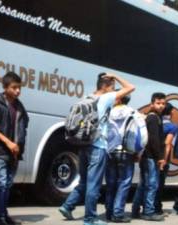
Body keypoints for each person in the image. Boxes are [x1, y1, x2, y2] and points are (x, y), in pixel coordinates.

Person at [59, 73, 135, 225]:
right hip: (97, 146)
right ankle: (90, 219)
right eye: (112, 87)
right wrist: (116, 75)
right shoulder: (105, 98)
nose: (114, 91)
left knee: (84, 181)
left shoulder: (88, 98)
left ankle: (67, 206)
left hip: (83, 145)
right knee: (94, 184)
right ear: (105, 86)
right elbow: (131, 87)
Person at [0, 72, 29, 225]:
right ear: (5, 87)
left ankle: (3, 214)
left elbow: (23, 128)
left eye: (19, 88)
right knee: (1, 182)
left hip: (14, 153)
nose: (18, 91)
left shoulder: (20, 106)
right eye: (14, 87)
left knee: (8, 184)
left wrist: (18, 147)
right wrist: (7, 142)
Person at [132, 92, 166, 222]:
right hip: (151, 157)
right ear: (152, 104)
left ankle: (136, 210)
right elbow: (154, 140)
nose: (161, 106)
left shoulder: (153, 117)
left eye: (163, 103)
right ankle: (148, 212)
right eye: (158, 103)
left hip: (147, 156)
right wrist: (160, 157)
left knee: (143, 184)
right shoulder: (153, 118)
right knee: (152, 185)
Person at [104, 94, 136, 223]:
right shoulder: (133, 112)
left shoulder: (108, 112)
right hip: (126, 152)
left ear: (118, 99)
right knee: (124, 182)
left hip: (110, 151)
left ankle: (109, 212)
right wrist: (138, 151)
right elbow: (140, 134)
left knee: (111, 183)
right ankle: (118, 213)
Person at [154, 103, 178, 216]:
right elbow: (168, 144)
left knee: (149, 184)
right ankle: (157, 208)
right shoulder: (171, 127)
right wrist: (163, 159)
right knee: (159, 184)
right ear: (171, 112)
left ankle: (145, 207)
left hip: (151, 156)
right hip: (162, 158)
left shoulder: (156, 122)